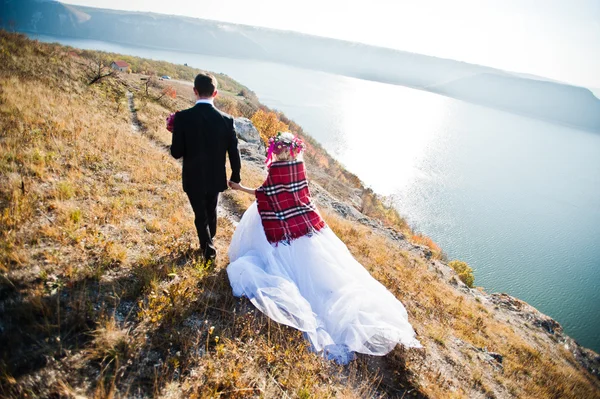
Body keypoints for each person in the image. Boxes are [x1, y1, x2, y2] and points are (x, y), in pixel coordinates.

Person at [227, 132, 421, 364]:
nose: (276, 153)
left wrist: (239, 189)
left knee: (282, 263)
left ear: (279, 150)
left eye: (276, 150)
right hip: (304, 223)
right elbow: (301, 193)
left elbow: (264, 193)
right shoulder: (299, 166)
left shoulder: (277, 169)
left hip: (281, 225)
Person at [170, 72, 241, 262]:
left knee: (200, 214)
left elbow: (176, 152)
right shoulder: (227, 120)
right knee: (211, 210)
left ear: (195, 91)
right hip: (215, 176)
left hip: (193, 175)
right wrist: (236, 175)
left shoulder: (182, 118)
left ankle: (208, 249)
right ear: (215, 93)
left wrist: (176, 133)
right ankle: (210, 240)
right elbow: (234, 151)